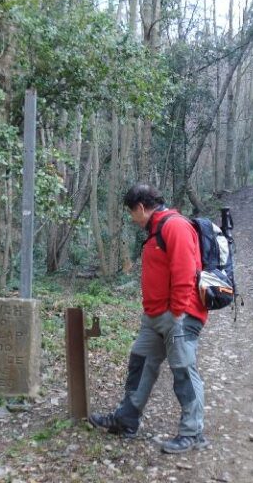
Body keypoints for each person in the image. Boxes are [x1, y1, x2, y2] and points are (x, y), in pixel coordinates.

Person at [89, 183, 209, 454]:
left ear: (141, 207)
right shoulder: (155, 230)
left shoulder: (175, 226)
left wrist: (177, 313)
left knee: (183, 373)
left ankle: (193, 433)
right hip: (154, 316)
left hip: (179, 315)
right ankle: (127, 420)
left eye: (132, 213)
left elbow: (186, 272)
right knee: (140, 363)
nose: (132, 219)